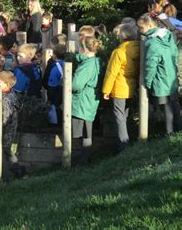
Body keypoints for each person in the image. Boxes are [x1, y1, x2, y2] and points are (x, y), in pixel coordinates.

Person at [138, 14, 180, 135]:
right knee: (174, 103)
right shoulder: (168, 35)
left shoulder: (152, 43)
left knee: (165, 107)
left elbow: (150, 65)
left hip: (160, 79)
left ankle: (169, 132)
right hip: (171, 75)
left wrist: (148, 82)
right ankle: (178, 127)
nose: (141, 31)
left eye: (142, 28)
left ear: (149, 25)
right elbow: (175, 53)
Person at [102, 23, 140, 152]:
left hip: (119, 88)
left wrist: (106, 90)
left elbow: (111, 72)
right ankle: (130, 140)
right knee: (126, 115)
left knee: (119, 117)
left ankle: (124, 145)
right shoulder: (139, 49)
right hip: (132, 86)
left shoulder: (119, 52)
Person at [72, 36, 102, 166]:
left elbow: (76, 85)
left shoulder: (86, 66)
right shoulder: (96, 61)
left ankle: (83, 161)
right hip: (89, 101)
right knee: (86, 131)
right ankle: (85, 159)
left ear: (84, 49)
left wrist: (66, 83)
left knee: (84, 133)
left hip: (82, 102)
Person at [42, 44, 66, 125]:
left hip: (56, 94)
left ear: (54, 55)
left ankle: (54, 126)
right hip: (66, 93)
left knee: (55, 111)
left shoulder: (55, 68)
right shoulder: (68, 63)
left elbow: (52, 85)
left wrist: (50, 99)